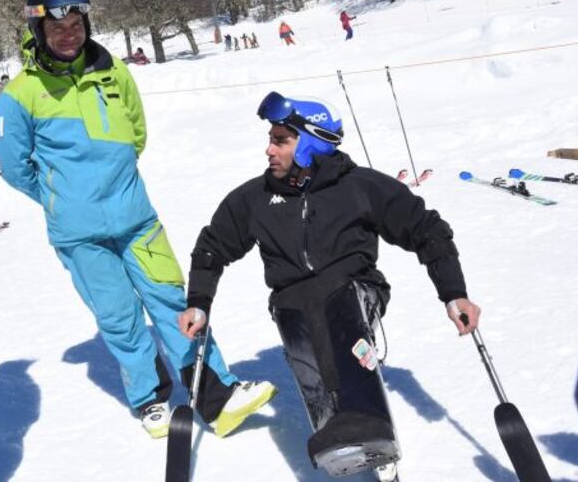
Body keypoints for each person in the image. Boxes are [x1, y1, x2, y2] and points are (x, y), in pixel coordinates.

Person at [0, 0, 275, 440]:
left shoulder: (112, 70)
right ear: (37, 30)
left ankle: (218, 399)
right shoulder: (21, 93)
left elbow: (136, 133)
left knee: (172, 301)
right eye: (56, 27)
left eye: (75, 25)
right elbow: (13, 167)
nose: (68, 34)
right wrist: (60, 198)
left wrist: (116, 179)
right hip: (79, 233)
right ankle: (150, 398)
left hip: (136, 218)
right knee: (118, 316)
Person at [177, 91, 480, 480]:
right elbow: (212, 247)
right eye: (271, 139)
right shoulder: (255, 198)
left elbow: (427, 231)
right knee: (297, 316)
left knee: (336, 300)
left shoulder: (361, 187)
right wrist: (199, 302)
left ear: (311, 144)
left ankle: (370, 426)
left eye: (281, 140)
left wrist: (453, 293)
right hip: (292, 301)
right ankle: (334, 431)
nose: (269, 150)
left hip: (355, 289)